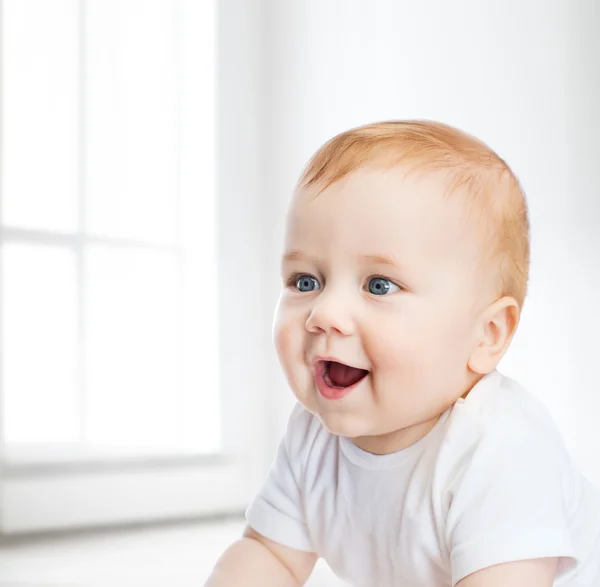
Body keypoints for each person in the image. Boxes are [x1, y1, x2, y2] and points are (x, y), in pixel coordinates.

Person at [205, 121, 600, 586]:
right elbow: (269, 553)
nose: (324, 313)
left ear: (487, 334)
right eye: (305, 281)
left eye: (379, 285)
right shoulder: (311, 436)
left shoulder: (501, 447)